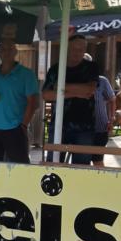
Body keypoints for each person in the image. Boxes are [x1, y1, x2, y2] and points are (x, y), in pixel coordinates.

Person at [0, 38, 40, 164]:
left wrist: (23, 125)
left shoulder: (27, 74)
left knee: (20, 168)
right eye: (3, 49)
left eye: (10, 49)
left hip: (14, 128)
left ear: (15, 51)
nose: (6, 52)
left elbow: (33, 103)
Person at [42, 35, 99, 165]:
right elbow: (46, 95)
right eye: (74, 48)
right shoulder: (56, 68)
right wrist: (77, 94)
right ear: (67, 48)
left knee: (81, 168)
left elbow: (90, 89)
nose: (78, 52)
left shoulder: (91, 67)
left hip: (85, 126)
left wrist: (62, 87)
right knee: (53, 166)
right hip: (58, 125)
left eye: (81, 48)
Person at [90, 75, 116, 167]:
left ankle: (101, 180)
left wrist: (111, 119)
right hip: (79, 128)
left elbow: (112, 100)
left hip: (100, 128)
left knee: (97, 159)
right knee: (81, 160)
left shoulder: (102, 81)